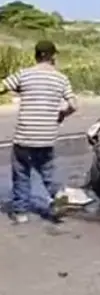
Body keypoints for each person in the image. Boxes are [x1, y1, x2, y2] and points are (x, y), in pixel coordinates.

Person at [0, 40, 76, 224]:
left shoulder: (24, 75)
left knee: (21, 175)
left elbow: (3, 87)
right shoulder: (61, 79)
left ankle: (21, 213)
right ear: (53, 57)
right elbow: (73, 104)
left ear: (36, 55)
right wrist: (61, 115)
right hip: (46, 137)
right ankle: (58, 198)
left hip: (24, 137)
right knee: (48, 174)